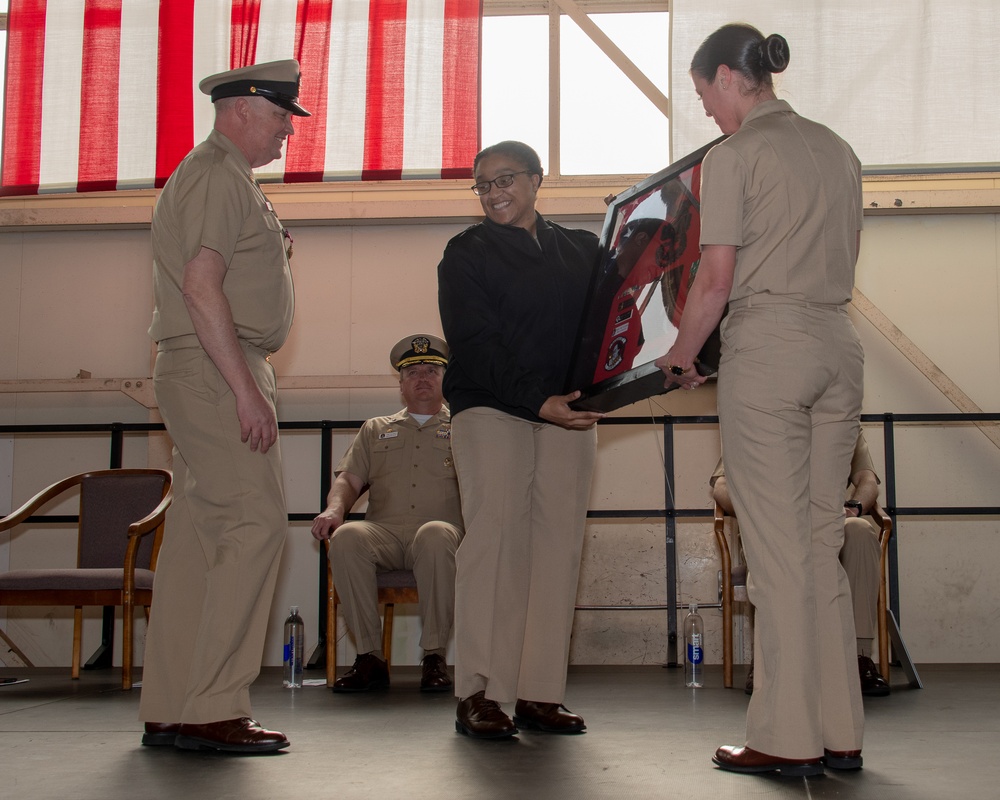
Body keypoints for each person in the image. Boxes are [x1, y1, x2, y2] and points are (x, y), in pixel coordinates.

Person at [656, 24, 865, 776]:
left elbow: (715, 280)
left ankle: (785, 736)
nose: (706, 110)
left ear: (725, 77)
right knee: (818, 546)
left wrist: (679, 356)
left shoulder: (734, 156)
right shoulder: (838, 150)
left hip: (770, 346)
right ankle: (841, 731)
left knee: (775, 554)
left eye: (704, 94)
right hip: (838, 346)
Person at [138, 60, 310, 754]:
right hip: (218, 366)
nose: (284, 136)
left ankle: (174, 703)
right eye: (278, 119)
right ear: (243, 109)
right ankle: (213, 706)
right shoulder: (215, 173)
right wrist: (244, 389)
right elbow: (201, 284)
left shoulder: (223, 178)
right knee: (257, 523)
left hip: (204, 366)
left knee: (199, 540)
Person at [438, 141, 605, 739]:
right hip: (492, 408)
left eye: (504, 179)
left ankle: (538, 693)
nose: (492, 192)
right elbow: (476, 343)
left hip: (568, 413)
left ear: (538, 179)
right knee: (496, 541)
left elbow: (617, 318)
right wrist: (539, 400)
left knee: (558, 547)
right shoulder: (465, 255)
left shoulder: (583, 249)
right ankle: (480, 691)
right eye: (482, 185)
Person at [311, 334, 464, 694]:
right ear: (401, 384)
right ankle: (369, 658)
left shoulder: (464, 428)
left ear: (446, 379)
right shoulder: (376, 428)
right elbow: (349, 479)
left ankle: (434, 657)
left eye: (432, 370)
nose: (422, 377)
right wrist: (334, 510)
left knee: (436, 534)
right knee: (347, 536)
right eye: (413, 373)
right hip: (386, 534)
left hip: (442, 534)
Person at [711, 430, 891, 697]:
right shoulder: (762, 417)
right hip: (773, 519)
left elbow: (868, 480)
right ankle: (767, 659)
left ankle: (857, 656)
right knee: (768, 539)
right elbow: (722, 485)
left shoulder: (841, 421)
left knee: (861, 531)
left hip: (829, 518)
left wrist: (853, 506)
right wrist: (755, 510)